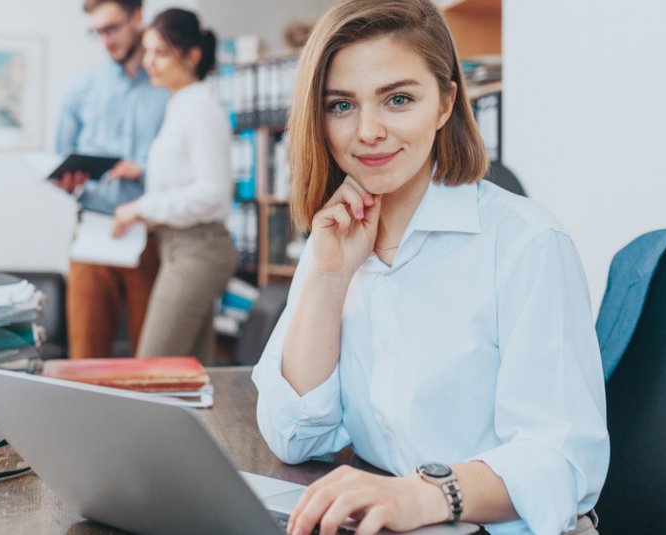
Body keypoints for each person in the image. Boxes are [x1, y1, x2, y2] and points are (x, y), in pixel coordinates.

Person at [251, 2, 610, 535]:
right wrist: (329, 277)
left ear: (446, 101)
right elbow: (296, 436)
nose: (368, 130)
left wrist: (422, 493)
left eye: (398, 99)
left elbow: (560, 461)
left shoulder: (526, 242)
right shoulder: (336, 238)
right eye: (342, 105)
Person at [111, 8, 236, 365]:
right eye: (147, 51)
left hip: (199, 250)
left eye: (160, 53)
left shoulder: (201, 108)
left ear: (192, 56)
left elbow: (212, 192)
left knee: (151, 368)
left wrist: (140, 208)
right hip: (178, 247)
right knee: (191, 375)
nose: (149, 61)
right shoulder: (180, 104)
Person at [56, 0, 169, 359]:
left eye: (112, 28)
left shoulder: (169, 90)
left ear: (137, 18)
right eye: (98, 32)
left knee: (151, 358)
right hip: (93, 234)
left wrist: (144, 170)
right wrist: (66, 178)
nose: (105, 40)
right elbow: (61, 157)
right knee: (85, 359)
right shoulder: (80, 89)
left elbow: (185, 166)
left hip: (149, 237)